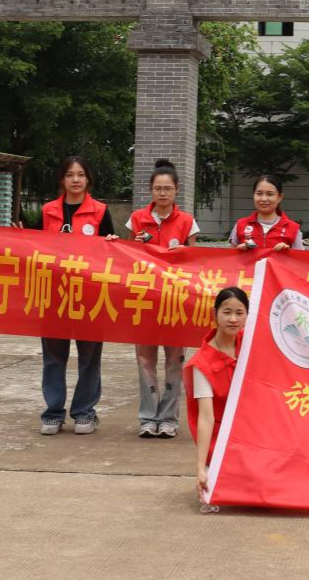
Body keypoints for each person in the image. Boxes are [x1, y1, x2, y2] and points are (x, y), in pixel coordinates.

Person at [38, 156, 117, 436]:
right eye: (70, 174)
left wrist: (111, 243)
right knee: (53, 357)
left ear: (88, 179)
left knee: (89, 358)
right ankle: (53, 413)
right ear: (62, 179)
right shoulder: (47, 211)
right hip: (54, 295)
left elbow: (112, 253)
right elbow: (34, 247)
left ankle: (84, 412)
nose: (75, 179)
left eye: (81, 174)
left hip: (90, 295)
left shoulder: (100, 211)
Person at [127, 159, 200, 438]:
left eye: (167, 188)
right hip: (145, 299)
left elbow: (196, 261)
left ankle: (168, 418)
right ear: (151, 190)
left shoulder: (187, 222)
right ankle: (148, 417)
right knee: (145, 360)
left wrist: (183, 253)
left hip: (176, 300)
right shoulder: (137, 219)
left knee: (174, 361)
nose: (162, 193)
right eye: (158, 188)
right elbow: (126, 255)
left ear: (177, 190)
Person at [189, 286, 250, 500]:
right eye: (227, 312)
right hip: (224, 438)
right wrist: (200, 468)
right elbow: (206, 418)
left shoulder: (251, 343)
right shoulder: (202, 364)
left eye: (239, 313)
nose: (233, 319)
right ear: (214, 314)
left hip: (254, 431)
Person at [230, 175, 305, 252]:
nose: (264, 199)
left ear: (280, 197)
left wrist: (288, 253)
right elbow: (230, 257)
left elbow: (301, 258)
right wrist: (239, 250)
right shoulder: (240, 225)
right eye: (259, 193)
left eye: (270, 194)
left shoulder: (292, 228)